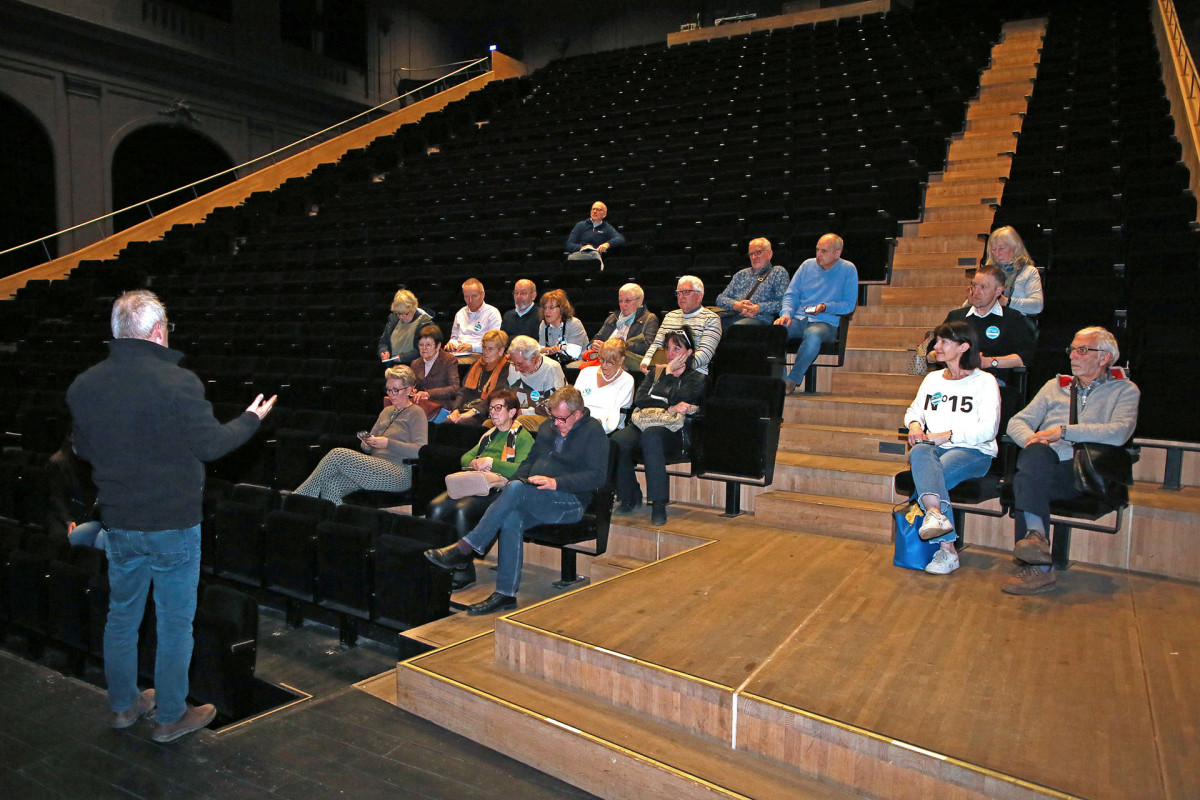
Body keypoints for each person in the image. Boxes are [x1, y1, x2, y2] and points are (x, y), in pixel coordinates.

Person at [66, 290, 275, 742]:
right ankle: (170, 715)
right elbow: (211, 446)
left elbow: (81, 449)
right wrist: (251, 419)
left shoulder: (83, 385)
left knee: (122, 616)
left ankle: (123, 707)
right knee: (174, 620)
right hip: (174, 525)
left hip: (119, 523)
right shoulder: (178, 382)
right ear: (158, 331)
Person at [423, 386, 608, 615]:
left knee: (516, 489)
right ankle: (505, 594)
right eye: (554, 417)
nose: (557, 423)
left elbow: (598, 477)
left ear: (577, 414)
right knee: (512, 513)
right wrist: (521, 479)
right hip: (537, 495)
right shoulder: (548, 428)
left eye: (562, 419)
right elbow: (528, 462)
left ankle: (467, 546)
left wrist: (556, 483)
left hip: (570, 501)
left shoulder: (593, 432)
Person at [1003, 327, 1139, 595]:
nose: (1073, 356)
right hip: (1044, 463)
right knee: (1035, 455)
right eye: (1072, 349)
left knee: (1024, 482)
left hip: (1086, 471)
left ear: (1104, 358)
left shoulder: (1124, 389)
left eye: (1083, 350)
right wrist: (1031, 438)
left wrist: (1063, 432)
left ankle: (1038, 565)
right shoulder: (1055, 386)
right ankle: (1037, 543)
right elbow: (1017, 421)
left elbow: (1120, 431)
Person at [902, 321, 1000, 575]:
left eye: (944, 342)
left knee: (935, 475)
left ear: (964, 347)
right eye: (937, 341)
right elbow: (915, 411)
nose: (937, 347)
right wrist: (914, 426)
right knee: (920, 451)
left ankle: (945, 546)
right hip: (933, 448)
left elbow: (988, 430)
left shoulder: (985, 382)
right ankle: (939, 525)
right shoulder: (933, 379)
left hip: (974, 451)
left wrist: (947, 435)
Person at [425, 389, 535, 590]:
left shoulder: (523, 438)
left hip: (501, 489)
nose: (493, 412)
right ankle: (438, 563)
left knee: (461, 510)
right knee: (435, 507)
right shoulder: (489, 435)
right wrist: (476, 462)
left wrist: (492, 463)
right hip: (478, 483)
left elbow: (522, 471)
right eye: (491, 408)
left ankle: (463, 568)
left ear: (512, 412)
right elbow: (465, 458)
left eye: (498, 408)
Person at [295, 365, 427, 504]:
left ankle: (300, 497)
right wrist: (367, 444)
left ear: (409, 390)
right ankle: (338, 523)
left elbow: (420, 450)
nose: (391, 394)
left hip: (398, 472)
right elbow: (369, 448)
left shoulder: (416, 413)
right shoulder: (386, 411)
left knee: (338, 454)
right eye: (388, 389)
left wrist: (388, 443)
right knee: (331, 485)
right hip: (375, 467)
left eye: (396, 390)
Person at [614, 329, 706, 526]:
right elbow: (640, 399)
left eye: (676, 348)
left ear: (688, 353)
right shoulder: (656, 372)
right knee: (618, 441)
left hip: (675, 432)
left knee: (651, 436)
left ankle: (658, 504)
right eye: (668, 349)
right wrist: (667, 385)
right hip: (645, 421)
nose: (671, 353)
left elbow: (677, 398)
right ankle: (630, 495)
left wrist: (668, 378)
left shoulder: (696, 378)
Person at [775, 233, 858, 393]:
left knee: (813, 335)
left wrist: (826, 307)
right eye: (817, 250)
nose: (818, 255)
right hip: (799, 318)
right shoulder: (807, 265)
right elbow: (791, 294)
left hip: (826, 322)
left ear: (837, 253)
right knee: (777, 331)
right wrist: (785, 313)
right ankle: (780, 379)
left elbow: (848, 305)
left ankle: (792, 380)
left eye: (824, 251)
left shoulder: (848, 270)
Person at [941, 264, 1036, 390]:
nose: (976, 292)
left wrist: (988, 362)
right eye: (974, 285)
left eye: (983, 287)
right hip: (955, 378)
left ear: (998, 291)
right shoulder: (956, 317)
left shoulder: (1012, 318)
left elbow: (1025, 357)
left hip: (992, 380)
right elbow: (932, 351)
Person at [640, 275, 723, 375]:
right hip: (665, 370)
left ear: (700, 295)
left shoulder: (711, 319)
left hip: (693, 374)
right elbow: (657, 344)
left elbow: (704, 355)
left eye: (686, 292)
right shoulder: (670, 316)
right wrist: (646, 361)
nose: (681, 296)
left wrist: (676, 367)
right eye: (679, 292)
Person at [714, 237, 790, 330]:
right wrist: (736, 305)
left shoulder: (778, 272)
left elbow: (783, 303)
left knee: (737, 328)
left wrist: (759, 308)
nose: (754, 257)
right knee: (709, 324)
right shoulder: (741, 274)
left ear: (769, 254)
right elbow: (720, 299)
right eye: (751, 254)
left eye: (758, 252)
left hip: (759, 319)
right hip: (733, 315)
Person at [45, 433, 104, 549]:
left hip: (89, 514)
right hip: (63, 514)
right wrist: (68, 519)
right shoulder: (58, 463)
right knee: (66, 537)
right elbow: (56, 499)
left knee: (100, 540)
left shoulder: (94, 461)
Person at [590, 283, 660, 372]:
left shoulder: (649, 319)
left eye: (627, 301)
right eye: (620, 301)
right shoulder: (613, 317)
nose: (623, 305)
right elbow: (596, 339)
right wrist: (593, 345)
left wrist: (618, 347)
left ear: (639, 301)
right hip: (603, 359)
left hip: (626, 364)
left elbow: (648, 347)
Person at [448, 329, 510, 425]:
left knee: (461, 424)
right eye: (484, 347)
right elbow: (464, 391)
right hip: (467, 408)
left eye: (490, 349)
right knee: (448, 422)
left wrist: (472, 412)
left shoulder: (507, 368)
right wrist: (456, 409)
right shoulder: (476, 365)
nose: (485, 352)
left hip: (487, 412)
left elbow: (496, 396)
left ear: (501, 350)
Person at [574, 339, 636, 434]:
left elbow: (614, 416)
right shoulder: (586, 372)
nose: (604, 365)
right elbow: (574, 402)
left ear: (621, 360)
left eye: (610, 362)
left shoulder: (627, 380)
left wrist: (597, 422)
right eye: (602, 360)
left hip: (608, 426)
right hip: (579, 420)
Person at [506, 335, 566, 431]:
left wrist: (524, 412)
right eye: (514, 363)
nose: (516, 368)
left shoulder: (551, 369)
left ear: (534, 358)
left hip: (547, 418)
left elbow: (555, 406)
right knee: (491, 422)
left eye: (519, 364)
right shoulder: (512, 367)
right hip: (517, 414)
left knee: (520, 421)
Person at [980, 226, 1043, 317]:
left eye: (1001, 248)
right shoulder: (986, 274)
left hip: (1017, 323)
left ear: (1015, 248)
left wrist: (1007, 302)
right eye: (993, 249)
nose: (997, 253)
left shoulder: (1029, 272)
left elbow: (1037, 306)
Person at [410, 324, 461, 423]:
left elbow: (454, 388)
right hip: (421, 406)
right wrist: (411, 390)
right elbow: (413, 385)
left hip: (442, 406)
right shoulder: (415, 363)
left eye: (428, 345)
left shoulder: (448, 360)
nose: (424, 348)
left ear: (438, 346)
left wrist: (429, 393)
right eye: (421, 345)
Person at [445, 278, 501, 363]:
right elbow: (454, 337)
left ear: (482, 295)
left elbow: (494, 343)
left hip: (480, 354)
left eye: (474, 296)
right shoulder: (460, 313)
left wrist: (472, 347)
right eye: (467, 297)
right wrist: (451, 343)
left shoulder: (492, 313)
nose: (470, 300)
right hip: (459, 353)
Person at [377, 288, 433, 363]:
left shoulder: (425, 323)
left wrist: (403, 358)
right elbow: (383, 342)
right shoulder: (393, 319)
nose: (401, 317)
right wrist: (384, 351)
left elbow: (425, 349)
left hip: (415, 366)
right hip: (394, 366)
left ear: (413, 308)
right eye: (398, 313)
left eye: (405, 313)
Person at [538, 289, 589, 365]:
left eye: (551, 308)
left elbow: (573, 354)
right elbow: (540, 350)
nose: (546, 311)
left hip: (576, 364)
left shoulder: (574, 324)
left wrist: (552, 350)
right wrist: (550, 350)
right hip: (555, 363)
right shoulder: (544, 325)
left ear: (562, 309)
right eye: (545, 308)